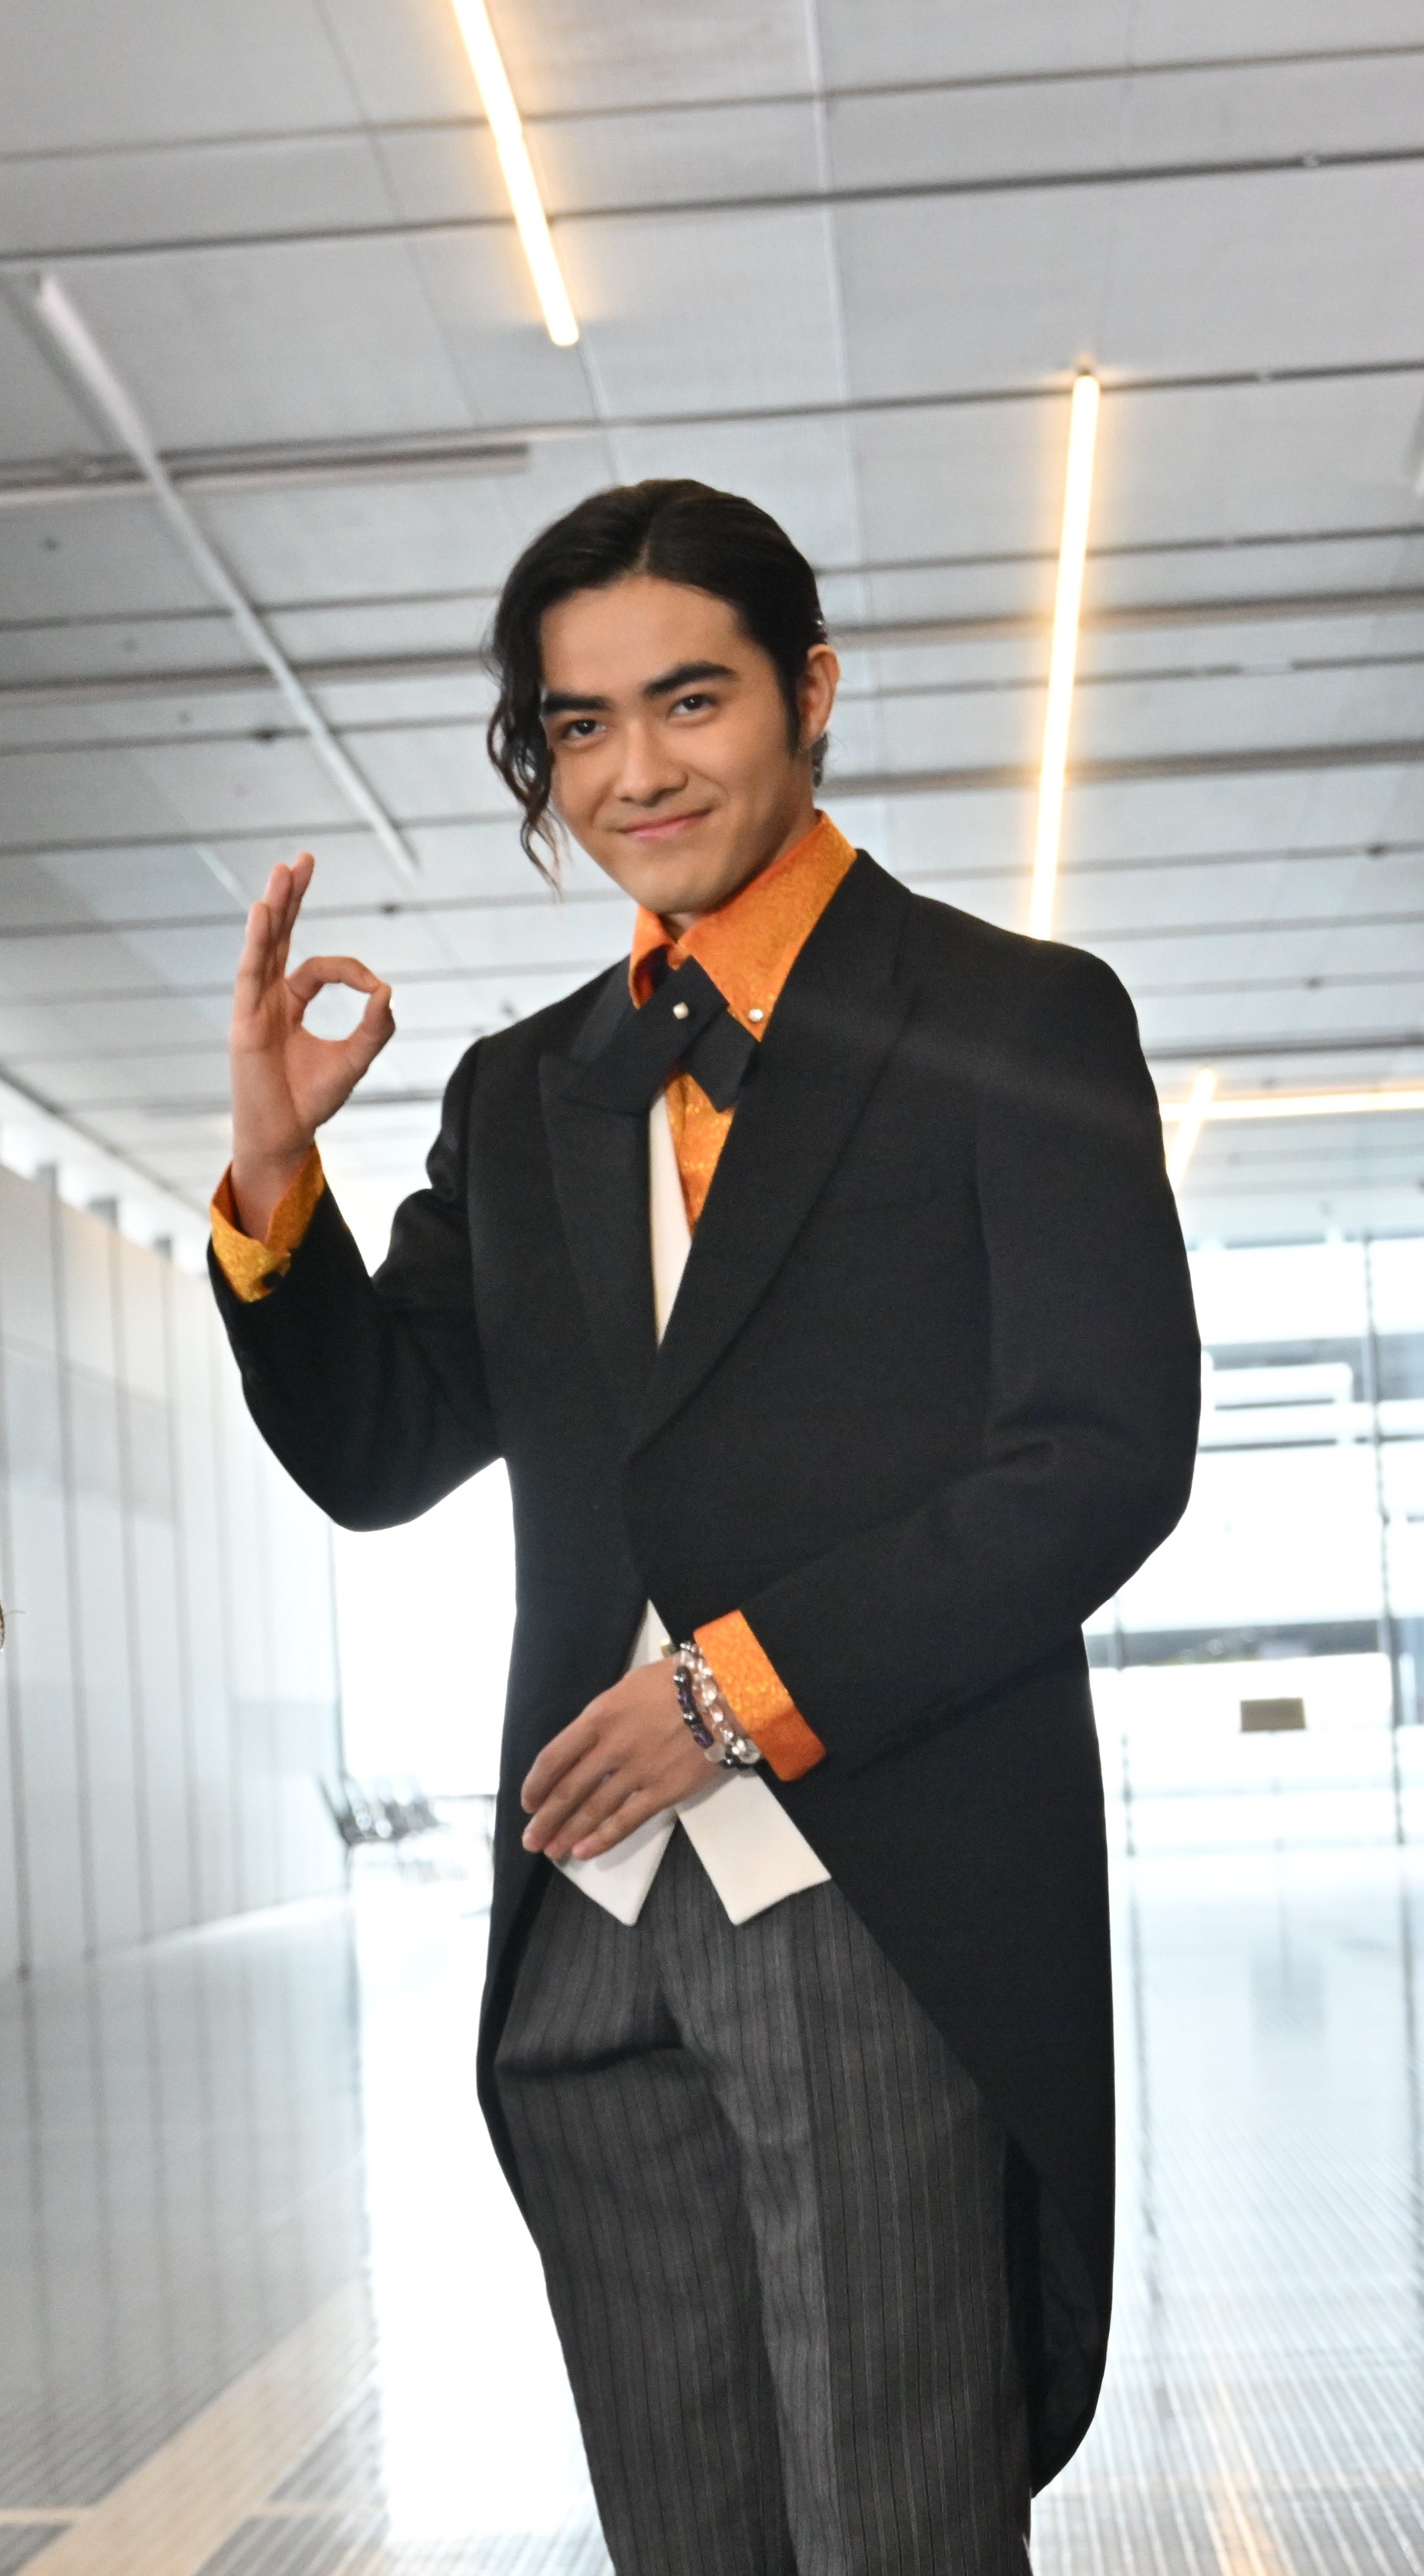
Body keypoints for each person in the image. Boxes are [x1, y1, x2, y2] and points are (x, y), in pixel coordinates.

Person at [210, 480, 1200, 2573]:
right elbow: (383, 1450)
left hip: (871, 1890)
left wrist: (737, 1692)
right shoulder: (522, 1093)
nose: (632, 772)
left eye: (688, 700)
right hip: (583, 1926)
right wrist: (276, 1189)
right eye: (578, 726)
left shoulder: (1009, 1017)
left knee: (894, 2524)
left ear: (806, 691)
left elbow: (1099, 1454)